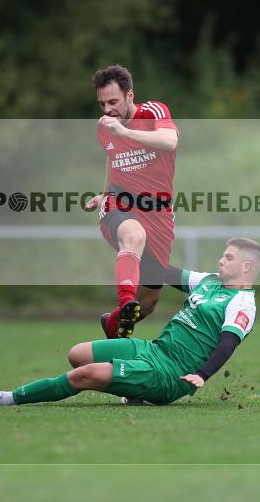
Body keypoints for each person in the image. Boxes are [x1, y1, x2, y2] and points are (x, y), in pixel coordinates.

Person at [0, 238, 260, 406]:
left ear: (246, 267)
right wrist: (132, 240)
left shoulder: (243, 303)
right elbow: (165, 272)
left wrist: (202, 375)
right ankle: (134, 391)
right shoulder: (209, 282)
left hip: (170, 375)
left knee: (85, 374)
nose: (221, 261)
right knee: (77, 355)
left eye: (228, 257)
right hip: (153, 350)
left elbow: (227, 344)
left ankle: (4, 399)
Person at [83, 65, 179, 338]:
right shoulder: (105, 127)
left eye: (113, 102)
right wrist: (104, 194)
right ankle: (126, 302)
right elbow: (112, 160)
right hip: (120, 203)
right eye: (101, 103)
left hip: (158, 214)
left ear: (129, 96)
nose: (107, 110)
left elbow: (169, 141)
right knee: (133, 236)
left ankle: (112, 323)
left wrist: (124, 132)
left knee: (148, 304)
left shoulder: (153, 112)